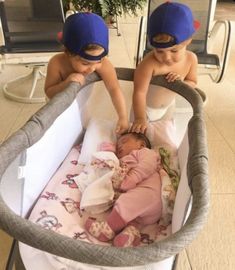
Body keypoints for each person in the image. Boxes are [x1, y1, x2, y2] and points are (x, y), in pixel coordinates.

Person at [44, 12, 128, 134]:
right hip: (57, 109)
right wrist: (67, 82)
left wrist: (123, 117)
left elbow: (114, 89)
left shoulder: (103, 64)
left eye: (98, 61)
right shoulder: (57, 63)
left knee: (82, 130)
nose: (92, 69)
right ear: (68, 53)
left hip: (81, 105)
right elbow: (49, 92)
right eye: (85, 63)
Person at [130, 2, 200, 134]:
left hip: (168, 107)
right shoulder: (148, 64)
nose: (166, 58)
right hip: (144, 109)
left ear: (188, 41)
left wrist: (182, 83)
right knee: (135, 138)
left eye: (174, 51)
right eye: (159, 51)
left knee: (164, 139)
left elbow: (193, 82)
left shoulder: (191, 59)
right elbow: (139, 92)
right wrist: (140, 118)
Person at [85, 132, 163, 247]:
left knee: (126, 202)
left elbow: (148, 164)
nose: (119, 146)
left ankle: (107, 229)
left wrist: (134, 177)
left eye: (124, 141)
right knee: (131, 215)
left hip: (150, 194)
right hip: (145, 214)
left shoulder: (144, 152)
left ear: (141, 144)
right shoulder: (121, 160)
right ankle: (131, 234)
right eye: (117, 145)